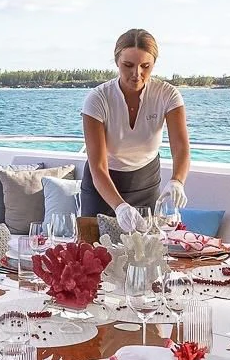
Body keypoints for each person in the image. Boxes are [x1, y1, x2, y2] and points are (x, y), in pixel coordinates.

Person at [79, 28, 192, 229]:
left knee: (146, 245)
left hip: (145, 182)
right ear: (117, 62)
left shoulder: (167, 95)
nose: (137, 74)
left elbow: (181, 147)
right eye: (128, 65)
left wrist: (177, 180)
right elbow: (98, 167)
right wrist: (120, 206)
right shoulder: (98, 99)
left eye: (145, 66)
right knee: (94, 246)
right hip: (102, 185)